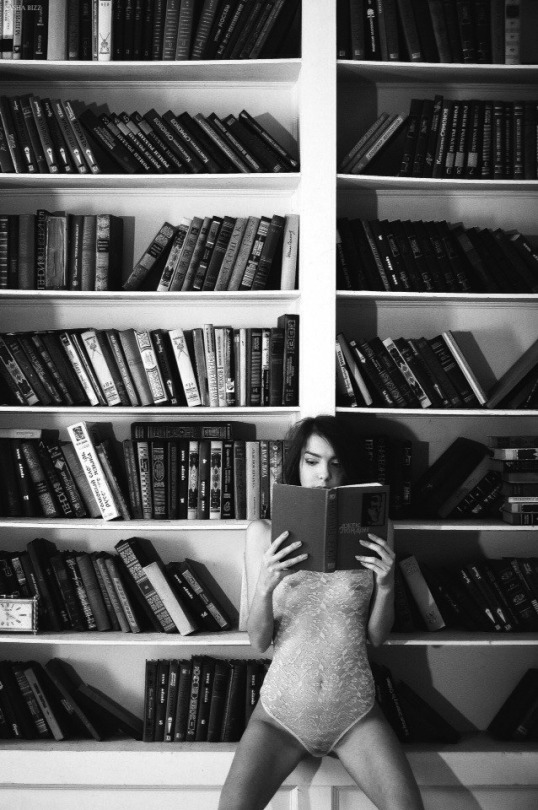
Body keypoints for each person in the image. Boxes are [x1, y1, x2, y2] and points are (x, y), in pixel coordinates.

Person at [218, 415, 425, 810]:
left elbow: (377, 637)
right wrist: (266, 584)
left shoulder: (379, 529)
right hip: (279, 713)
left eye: (335, 463)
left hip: (355, 712)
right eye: (312, 461)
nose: (324, 474)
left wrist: (386, 586)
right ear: (297, 464)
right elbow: (258, 641)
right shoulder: (262, 533)